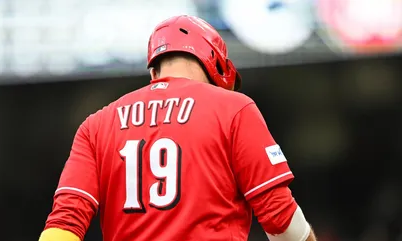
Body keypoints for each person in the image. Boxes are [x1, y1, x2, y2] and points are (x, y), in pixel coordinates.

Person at [39, 15, 317, 241]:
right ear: (215, 63)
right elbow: (280, 219)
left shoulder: (96, 125)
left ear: (153, 72)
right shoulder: (233, 107)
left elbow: (65, 223)